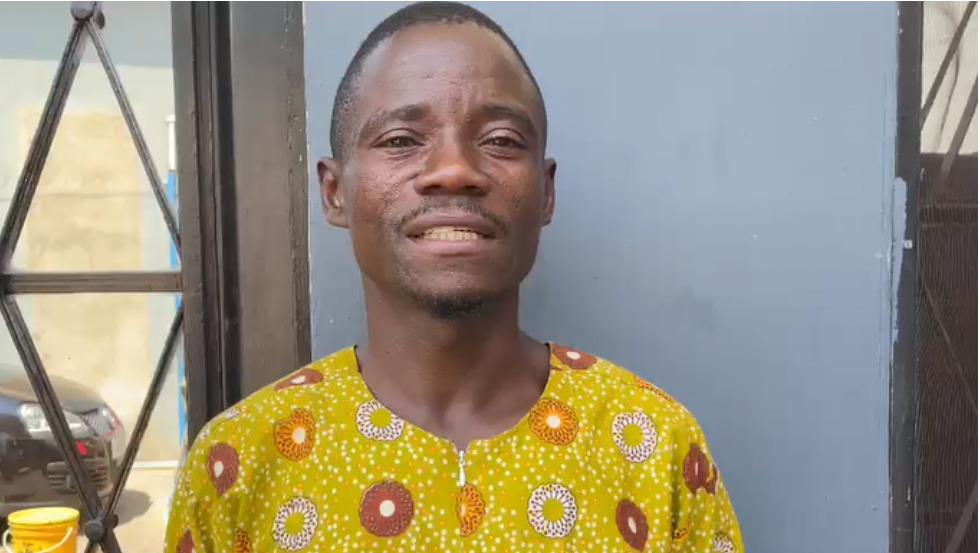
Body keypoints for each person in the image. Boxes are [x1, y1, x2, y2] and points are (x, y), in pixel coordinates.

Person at [164, 2, 742, 552]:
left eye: (500, 141)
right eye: (400, 140)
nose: (454, 170)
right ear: (335, 192)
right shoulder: (239, 462)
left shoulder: (651, 443)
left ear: (545, 192)